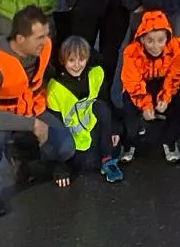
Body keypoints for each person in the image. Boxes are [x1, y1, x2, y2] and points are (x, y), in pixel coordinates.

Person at [0, 6, 72, 217]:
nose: (45, 41)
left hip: (29, 110)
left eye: (46, 35)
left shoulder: (44, 48)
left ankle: (22, 156)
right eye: (39, 37)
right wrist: (32, 124)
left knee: (66, 147)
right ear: (20, 38)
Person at [45, 35, 122, 185]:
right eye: (71, 60)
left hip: (89, 131)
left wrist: (114, 129)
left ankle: (108, 160)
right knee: (83, 165)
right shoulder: (55, 88)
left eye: (81, 59)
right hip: (69, 139)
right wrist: (60, 167)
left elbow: (105, 102)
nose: (77, 65)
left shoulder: (96, 73)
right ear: (62, 60)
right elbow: (54, 127)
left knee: (102, 108)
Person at [115, 9, 180, 164]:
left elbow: (175, 75)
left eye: (161, 40)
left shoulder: (176, 47)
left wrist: (165, 97)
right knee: (128, 108)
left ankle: (170, 141)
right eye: (150, 40)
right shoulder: (131, 52)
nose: (156, 46)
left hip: (164, 84)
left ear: (167, 37)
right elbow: (132, 82)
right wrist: (145, 105)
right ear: (141, 39)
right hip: (140, 88)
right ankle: (129, 144)